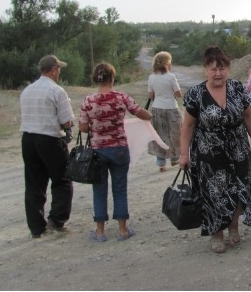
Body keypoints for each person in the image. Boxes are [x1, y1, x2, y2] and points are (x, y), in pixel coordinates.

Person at [179, 46, 251, 254]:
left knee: (238, 190)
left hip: (238, 150)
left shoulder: (237, 88)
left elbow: (248, 116)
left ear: (228, 68)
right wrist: (184, 154)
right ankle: (216, 233)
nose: (218, 73)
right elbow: (188, 126)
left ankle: (233, 227)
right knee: (213, 194)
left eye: (222, 68)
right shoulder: (195, 94)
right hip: (208, 154)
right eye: (213, 69)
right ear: (205, 70)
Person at [79, 62, 152, 242]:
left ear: (96, 78)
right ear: (113, 78)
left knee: (99, 189)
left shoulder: (89, 101)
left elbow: (83, 128)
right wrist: (149, 115)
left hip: (97, 152)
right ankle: (122, 230)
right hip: (119, 148)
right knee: (120, 189)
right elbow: (139, 112)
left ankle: (100, 232)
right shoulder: (121, 97)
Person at [20, 55, 75, 238]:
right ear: (54, 69)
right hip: (49, 139)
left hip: (28, 139)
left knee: (34, 183)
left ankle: (36, 227)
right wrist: (68, 131)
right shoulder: (56, 91)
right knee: (62, 180)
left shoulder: (27, 90)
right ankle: (56, 220)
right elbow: (66, 120)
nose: (59, 72)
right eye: (59, 69)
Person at [147, 51, 182, 172]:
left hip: (157, 108)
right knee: (176, 133)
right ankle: (174, 158)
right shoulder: (171, 77)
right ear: (167, 63)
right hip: (171, 107)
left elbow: (150, 95)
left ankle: (161, 162)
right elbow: (178, 93)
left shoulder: (151, 77)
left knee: (159, 134)